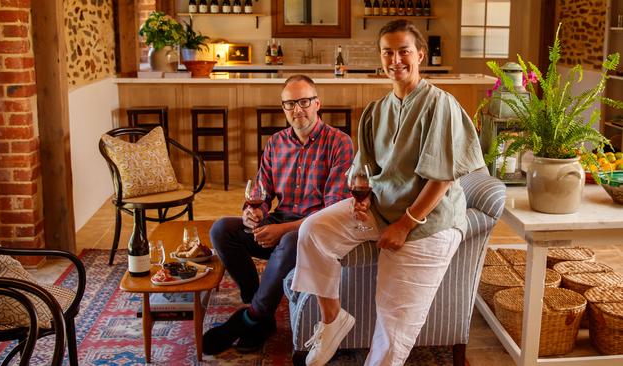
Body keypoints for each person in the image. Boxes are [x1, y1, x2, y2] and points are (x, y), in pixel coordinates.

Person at [290, 20, 485, 366]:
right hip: (383, 210)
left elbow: (441, 180)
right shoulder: (376, 111)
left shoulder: (440, 105)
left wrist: (404, 226)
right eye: (388, 52)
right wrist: (361, 203)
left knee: (393, 328)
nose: (396, 59)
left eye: (404, 51)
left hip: (428, 223)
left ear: (420, 55)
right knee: (312, 232)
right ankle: (334, 321)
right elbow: (363, 172)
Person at [203, 74, 354, 355]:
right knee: (221, 229)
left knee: (291, 240)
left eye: (304, 102)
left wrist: (282, 231)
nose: (298, 110)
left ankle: (251, 318)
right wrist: (253, 213)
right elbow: (262, 191)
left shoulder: (339, 143)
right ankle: (257, 309)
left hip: (312, 231)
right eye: (290, 104)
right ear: (283, 109)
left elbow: (332, 212)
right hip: (278, 222)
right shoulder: (275, 143)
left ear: (317, 104)